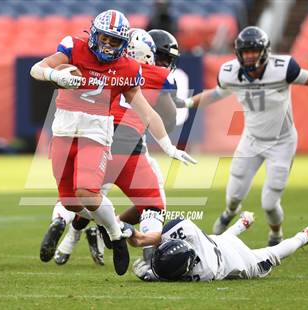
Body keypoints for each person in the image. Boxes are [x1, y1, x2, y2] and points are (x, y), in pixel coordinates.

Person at [29, 10, 196, 275]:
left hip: (98, 134)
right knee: (76, 199)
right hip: (80, 133)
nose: (108, 46)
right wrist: (57, 76)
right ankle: (119, 237)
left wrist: (168, 146)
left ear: (126, 46)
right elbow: (38, 69)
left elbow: (146, 111)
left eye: (115, 42)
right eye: (105, 39)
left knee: (87, 193)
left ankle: (105, 233)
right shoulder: (76, 47)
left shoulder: (129, 69)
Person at [181, 26, 308, 245]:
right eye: (245, 51)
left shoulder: (283, 69)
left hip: (282, 142)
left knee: (269, 202)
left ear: (265, 51)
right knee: (234, 193)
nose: (249, 56)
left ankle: (276, 234)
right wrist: (188, 103)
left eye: (254, 51)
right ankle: (229, 212)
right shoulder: (231, 73)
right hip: (252, 140)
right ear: (238, 53)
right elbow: (216, 94)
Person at [53, 29, 181, 267]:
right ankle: (148, 254)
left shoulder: (106, 66)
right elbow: (164, 117)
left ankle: (70, 237)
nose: (161, 62)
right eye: (157, 56)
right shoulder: (151, 73)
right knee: (153, 201)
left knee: (83, 197)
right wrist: (168, 144)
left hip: (96, 140)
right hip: (129, 147)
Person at [127, 212, 308, 281]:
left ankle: (303, 237)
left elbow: (168, 274)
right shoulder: (189, 233)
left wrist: (138, 240)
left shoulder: (204, 272)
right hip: (227, 252)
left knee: (273, 253)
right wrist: (140, 239)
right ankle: (243, 223)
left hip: (235, 258)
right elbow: (160, 237)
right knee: (222, 238)